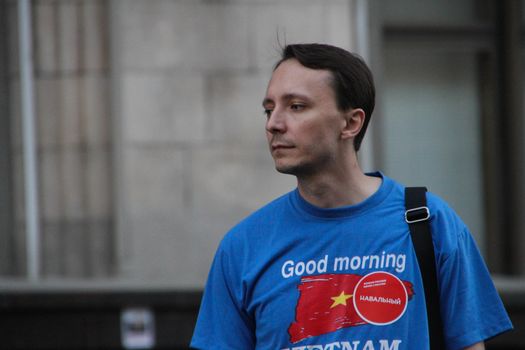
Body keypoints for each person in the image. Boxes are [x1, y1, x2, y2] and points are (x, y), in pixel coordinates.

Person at [190, 43, 512, 350]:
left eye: (296, 106)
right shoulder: (243, 247)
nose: (274, 124)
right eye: (269, 109)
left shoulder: (429, 223)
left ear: (351, 122)